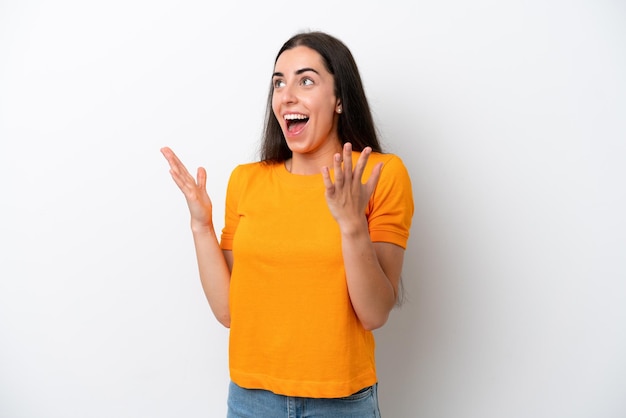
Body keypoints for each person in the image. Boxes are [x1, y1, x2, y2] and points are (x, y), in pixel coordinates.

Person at [161, 30, 414, 418]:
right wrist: (201, 226)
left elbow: (374, 313)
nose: (286, 95)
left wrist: (351, 226)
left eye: (306, 80)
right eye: (279, 83)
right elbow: (230, 312)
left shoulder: (379, 174)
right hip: (251, 398)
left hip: (341, 403)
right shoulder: (247, 180)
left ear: (340, 100)